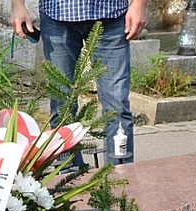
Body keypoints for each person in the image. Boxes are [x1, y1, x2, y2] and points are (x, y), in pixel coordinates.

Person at [10, 0, 147, 164]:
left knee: (117, 107)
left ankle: (121, 175)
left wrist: (139, 4)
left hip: (112, 14)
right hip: (57, 17)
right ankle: (68, 175)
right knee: (62, 107)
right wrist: (17, 5)